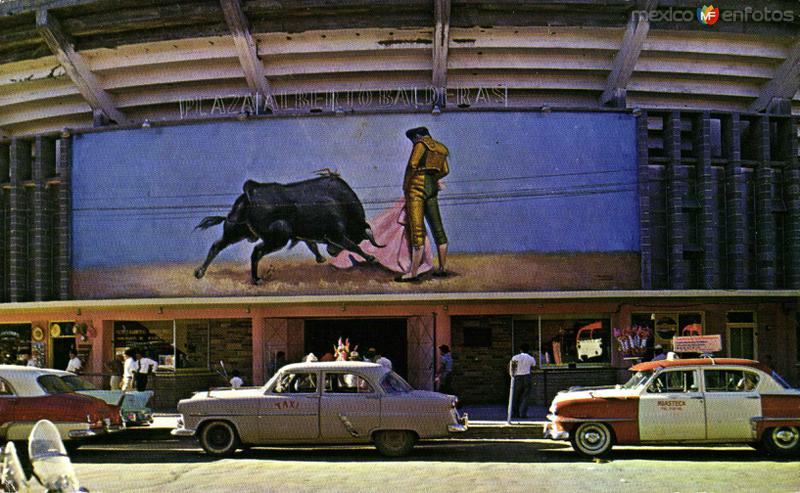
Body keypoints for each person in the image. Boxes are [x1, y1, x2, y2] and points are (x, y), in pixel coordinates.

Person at [396, 126, 451, 282]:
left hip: (416, 187)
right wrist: (433, 178)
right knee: (438, 228)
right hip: (431, 187)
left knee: (417, 230)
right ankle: (442, 268)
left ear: (418, 136)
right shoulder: (441, 148)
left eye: (413, 138)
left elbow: (413, 164)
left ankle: (413, 273)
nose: (413, 142)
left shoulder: (420, 144)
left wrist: (406, 185)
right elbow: (445, 170)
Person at [509, 344, 537, 419]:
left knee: (516, 396)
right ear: (528, 350)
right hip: (527, 376)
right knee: (526, 396)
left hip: (518, 377)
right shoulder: (530, 358)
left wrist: (512, 376)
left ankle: (515, 413)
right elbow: (534, 366)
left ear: (520, 349)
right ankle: (523, 413)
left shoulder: (515, 357)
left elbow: (513, 369)